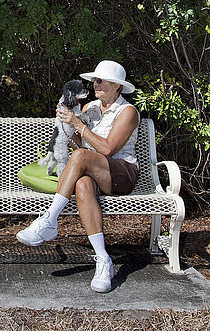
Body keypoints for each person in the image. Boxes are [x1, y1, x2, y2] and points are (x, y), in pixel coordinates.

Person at [16, 60, 140, 293]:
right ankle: (103, 260)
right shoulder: (90, 108)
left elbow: (107, 149)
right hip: (94, 172)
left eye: (101, 80)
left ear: (117, 86)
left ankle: (49, 220)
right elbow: (78, 145)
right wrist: (67, 125)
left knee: (82, 157)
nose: (96, 83)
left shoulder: (128, 112)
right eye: (95, 79)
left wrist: (78, 125)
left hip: (122, 172)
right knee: (82, 184)